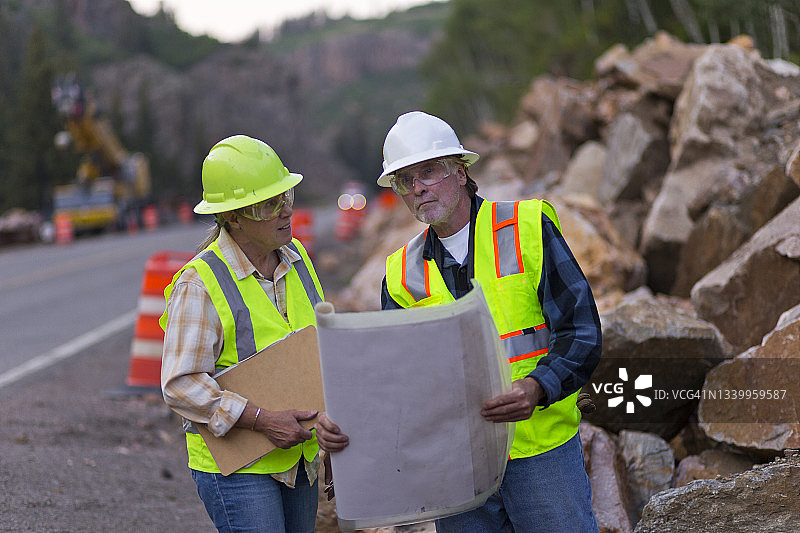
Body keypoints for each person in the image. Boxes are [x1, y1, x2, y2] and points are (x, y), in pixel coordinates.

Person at [316, 111, 601, 533]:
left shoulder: (527, 228)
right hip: (454, 466)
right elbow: (395, 383)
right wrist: (349, 437)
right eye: (405, 180)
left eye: (429, 171)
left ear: (461, 171)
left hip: (540, 452)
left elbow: (582, 332)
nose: (418, 187)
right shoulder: (401, 274)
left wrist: (538, 386)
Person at [160, 135, 325, 533]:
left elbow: (320, 352)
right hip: (238, 466)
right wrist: (261, 420)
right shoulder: (200, 283)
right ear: (233, 217)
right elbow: (181, 384)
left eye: (286, 196)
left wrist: (330, 437)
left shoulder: (297, 259)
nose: (286, 210)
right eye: (270, 204)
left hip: (299, 457)